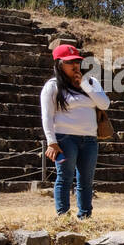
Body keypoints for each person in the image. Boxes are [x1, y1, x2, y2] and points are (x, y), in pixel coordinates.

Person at [41, 44, 110, 219]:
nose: (75, 66)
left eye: (77, 62)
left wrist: (85, 84)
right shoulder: (53, 86)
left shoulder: (91, 82)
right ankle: (63, 216)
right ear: (59, 64)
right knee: (64, 178)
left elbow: (104, 104)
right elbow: (47, 116)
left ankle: (85, 216)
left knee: (86, 180)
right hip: (65, 138)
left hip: (89, 139)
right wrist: (52, 142)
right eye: (70, 62)